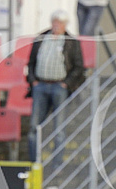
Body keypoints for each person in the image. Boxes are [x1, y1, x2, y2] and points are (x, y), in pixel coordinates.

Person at [27, 10, 86, 163]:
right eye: (55, 22)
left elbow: (79, 67)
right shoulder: (41, 38)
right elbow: (31, 62)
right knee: (34, 127)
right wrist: (33, 80)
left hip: (59, 87)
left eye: (60, 23)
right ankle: (34, 162)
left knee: (59, 128)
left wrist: (66, 83)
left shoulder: (71, 42)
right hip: (40, 85)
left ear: (65, 25)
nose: (56, 25)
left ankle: (57, 165)